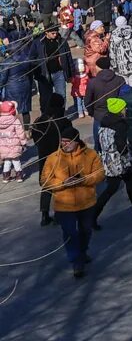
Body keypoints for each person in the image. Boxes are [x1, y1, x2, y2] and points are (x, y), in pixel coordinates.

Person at [41, 125, 104, 277]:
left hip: (86, 202)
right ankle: (77, 262)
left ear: (77, 141)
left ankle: (82, 252)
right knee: (70, 234)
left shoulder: (90, 154)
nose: (65, 144)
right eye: (62, 141)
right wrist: (62, 184)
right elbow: (45, 180)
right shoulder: (53, 158)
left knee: (85, 231)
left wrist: (84, 180)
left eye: (68, 141)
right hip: (64, 205)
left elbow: (100, 174)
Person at [93, 97, 132, 228]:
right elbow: (122, 146)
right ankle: (93, 216)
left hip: (108, 159)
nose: (125, 109)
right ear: (118, 110)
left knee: (124, 184)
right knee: (114, 188)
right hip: (119, 162)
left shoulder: (104, 121)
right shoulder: (120, 124)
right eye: (123, 107)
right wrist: (129, 156)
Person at [30, 93, 72, 225]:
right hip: (60, 157)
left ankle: (44, 214)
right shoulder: (64, 121)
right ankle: (60, 213)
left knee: (47, 185)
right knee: (61, 185)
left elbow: (36, 140)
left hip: (44, 157)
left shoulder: (39, 121)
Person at [0, 100, 29, 181]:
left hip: (3, 146)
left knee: (7, 161)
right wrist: (23, 142)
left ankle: (6, 177)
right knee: (16, 160)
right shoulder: (15, 120)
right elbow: (20, 133)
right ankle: (19, 176)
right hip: (14, 145)